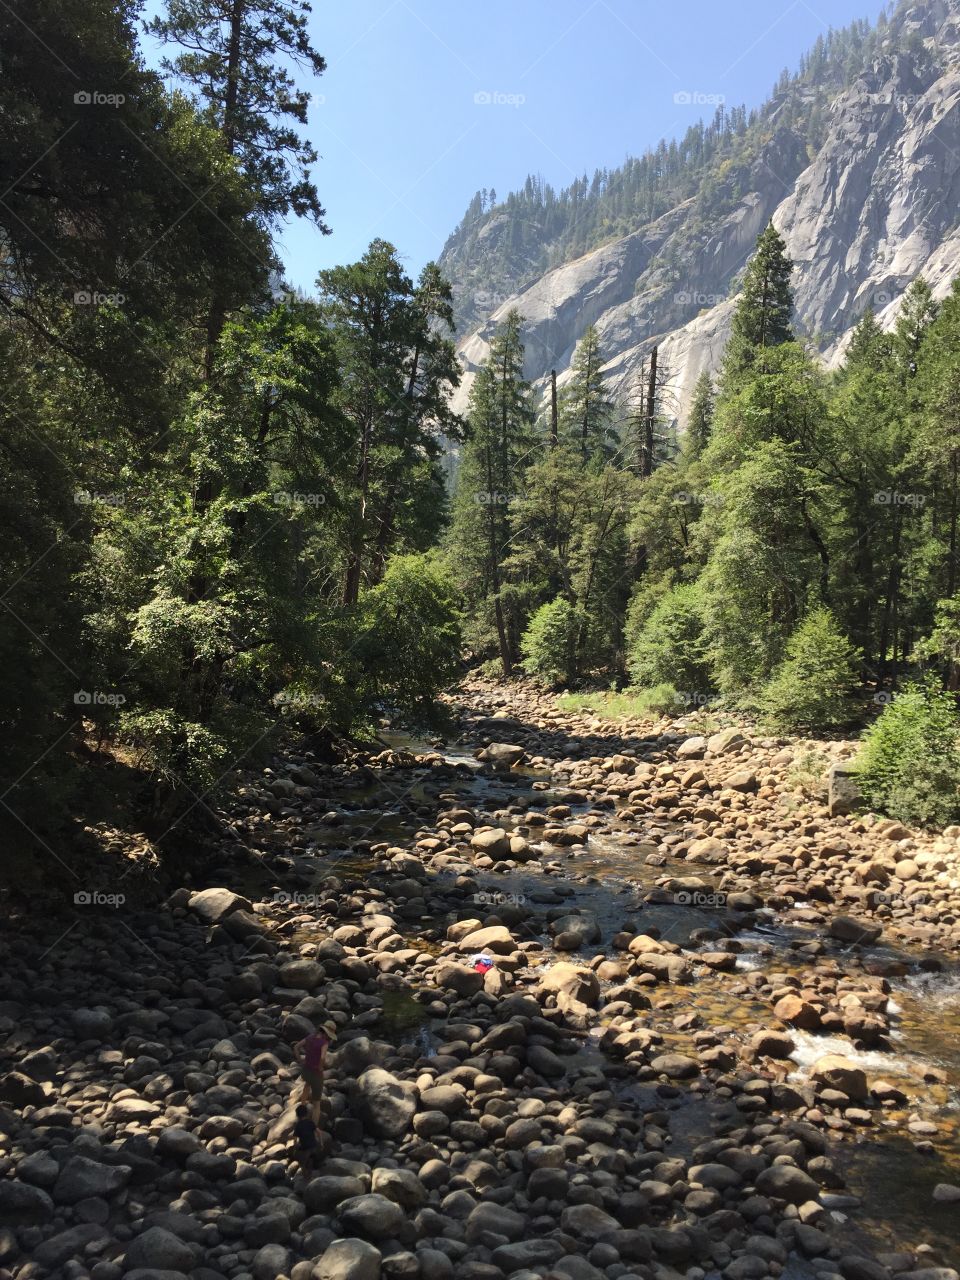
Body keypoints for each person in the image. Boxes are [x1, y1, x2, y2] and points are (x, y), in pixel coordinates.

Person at [293, 1019, 336, 1121]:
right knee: (317, 1104)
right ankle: (313, 1128)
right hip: (316, 1074)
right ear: (328, 1033)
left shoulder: (310, 1037)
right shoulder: (324, 1043)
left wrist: (300, 1060)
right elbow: (322, 1057)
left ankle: (302, 1108)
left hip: (306, 1070)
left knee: (307, 1085)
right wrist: (320, 1067)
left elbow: (296, 1047)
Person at [291, 1103, 320, 1178]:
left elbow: (295, 1138)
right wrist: (321, 1142)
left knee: (302, 1162)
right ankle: (310, 1171)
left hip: (305, 1147)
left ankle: (305, 1175)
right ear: (306, 1114)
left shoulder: (298, 1125)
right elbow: (318, 1132)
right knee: (311, 1159)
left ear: (297, 1115)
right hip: (313, 1145)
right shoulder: (310, 1122)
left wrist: (295, 1147)